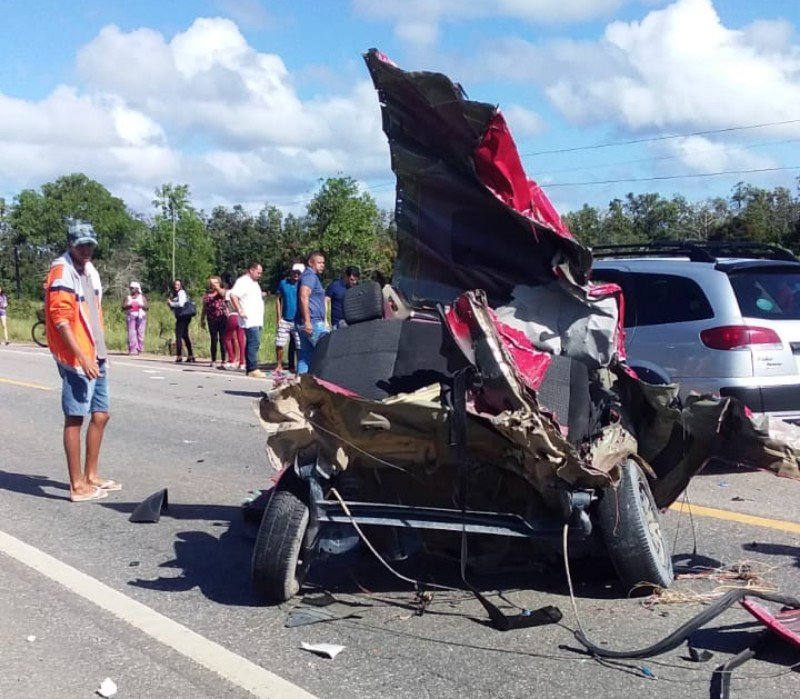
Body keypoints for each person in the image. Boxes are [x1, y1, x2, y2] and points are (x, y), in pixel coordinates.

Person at [45, 220, 120, 502]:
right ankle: (76, 485)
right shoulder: (62, 271)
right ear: (70, 245)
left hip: (95, 352)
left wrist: (101, 351)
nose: (86, 249)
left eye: (90, 244)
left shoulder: (89, 270)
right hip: (75, 356)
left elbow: (93, 311)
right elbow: (61, 320)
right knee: (75, 417)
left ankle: (91, 475)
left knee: (101, 414)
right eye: (81, 245)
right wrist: (81, 356)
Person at [295, 252, 329, 374]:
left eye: (323, 263)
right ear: (310, 262)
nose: (322, 265)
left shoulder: (309, 276)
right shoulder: (310, 276)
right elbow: (303, 296)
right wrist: (307, 321)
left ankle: (300, 387)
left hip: (305, 322)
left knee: (306, 357)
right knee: (327, 352)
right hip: (313, 323)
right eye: (319, 262)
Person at [230, 262, 266, 378]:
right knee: (253, 342)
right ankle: (252, 368)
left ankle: (251, 367)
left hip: (256, 318)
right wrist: (240, 310)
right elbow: (233, 295)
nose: (259, 275)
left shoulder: (253, 283)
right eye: (258, 272)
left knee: (254, 342)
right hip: (249, 319)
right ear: (251, 270)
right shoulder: (243, 281)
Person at [275, 263, 303, 376]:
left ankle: (300, 366)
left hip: (298, 319)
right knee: (279, 343)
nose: (296, 275)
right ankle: (279, 365)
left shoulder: (302, 285)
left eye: (298, 273)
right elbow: (278, 299)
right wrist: (278, 316)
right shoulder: (283, 283)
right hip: (285, 319)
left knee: (300, 345)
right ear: (291, 272)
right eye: (294, 272)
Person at [200, 276, 228, 368]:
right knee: (213, 339)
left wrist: (217, 287)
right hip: (211, 319)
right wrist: (202, 319)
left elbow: (224, 294)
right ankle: (213, 359)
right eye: (211, 283)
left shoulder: (222, 291)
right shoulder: (207, 294)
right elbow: (204, 307)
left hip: (222, 317)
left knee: (222, 339)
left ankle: (224, 360)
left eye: (215, 283)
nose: (213, 285)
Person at [167, 279, 196, 363]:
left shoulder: (181, 292)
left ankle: (179, 355)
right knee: (185, 335)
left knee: (178, 335)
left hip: (183, 317)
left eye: (178, 285)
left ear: (181, 285)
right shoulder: (176, 294)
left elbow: (181, 304)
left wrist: (171, 303)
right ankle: (190, 355)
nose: (176, 286)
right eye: (175, 284)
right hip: (182, 316)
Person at [222, 273, 245, 371]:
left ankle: (231, 359)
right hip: (241, 316)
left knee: (227, 338)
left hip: (232, 315)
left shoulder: (228, 292)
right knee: (241, 339)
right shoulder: (240, 292)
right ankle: (242, 362)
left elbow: (227, 306)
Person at [122, 281, 148, 355]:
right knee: (132, 333)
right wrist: (130, 305)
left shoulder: (142, 297)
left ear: (137, 289)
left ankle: (140, 348)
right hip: (131, 316)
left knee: (140, 333)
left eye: (132, 288)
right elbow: (123, 307)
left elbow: (146, 307)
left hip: (141, 317)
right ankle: (133, 349)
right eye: (130, 288)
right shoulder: (128, 298)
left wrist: (140, 306)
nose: (131, 290)